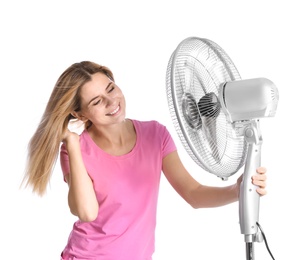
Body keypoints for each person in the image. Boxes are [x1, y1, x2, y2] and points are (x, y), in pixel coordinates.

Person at [23, 61, 267, 260]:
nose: (111, 102)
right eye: (96, 101)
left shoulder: (155, 135)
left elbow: (193, 194)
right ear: (79, 113)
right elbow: (86, 212)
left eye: (110, 88)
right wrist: (72, 143)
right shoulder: (76, 151)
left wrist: (237, 190)